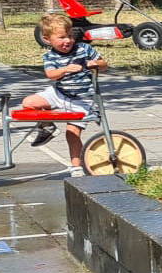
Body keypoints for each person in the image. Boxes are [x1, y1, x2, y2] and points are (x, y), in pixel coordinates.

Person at [24, 14, 108, 177]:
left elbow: (104, 64)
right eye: (61, 37)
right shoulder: (50, 56)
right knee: (29, 102)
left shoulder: (84, 49)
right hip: (60, 92)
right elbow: (50, 74)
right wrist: (64, 69)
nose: (68, 41)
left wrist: (96, 64)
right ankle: (47, 126)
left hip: (82, 98)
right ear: (47, 39)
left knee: (72, 132)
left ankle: (76, 166)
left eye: (70, 36)